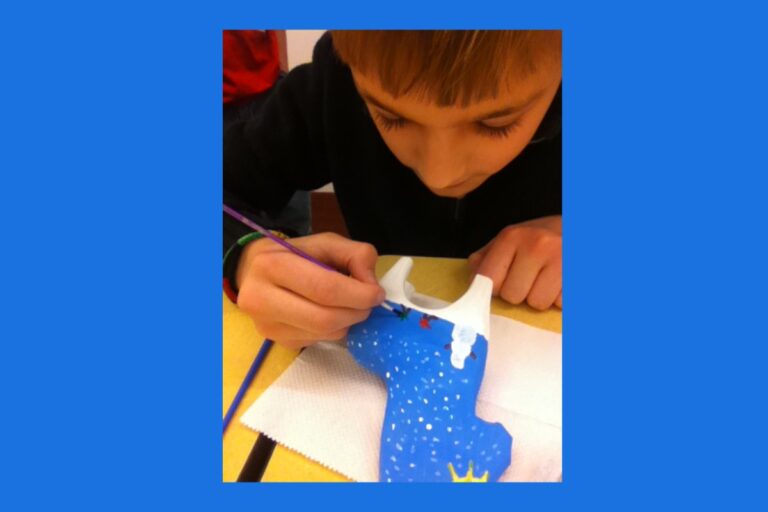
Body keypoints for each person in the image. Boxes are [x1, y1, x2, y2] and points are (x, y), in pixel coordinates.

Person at [224, 30, 562, 349]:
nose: (439, 175)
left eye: (496, 124)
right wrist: (246, 254)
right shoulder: (336, 80)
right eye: (391, 117)